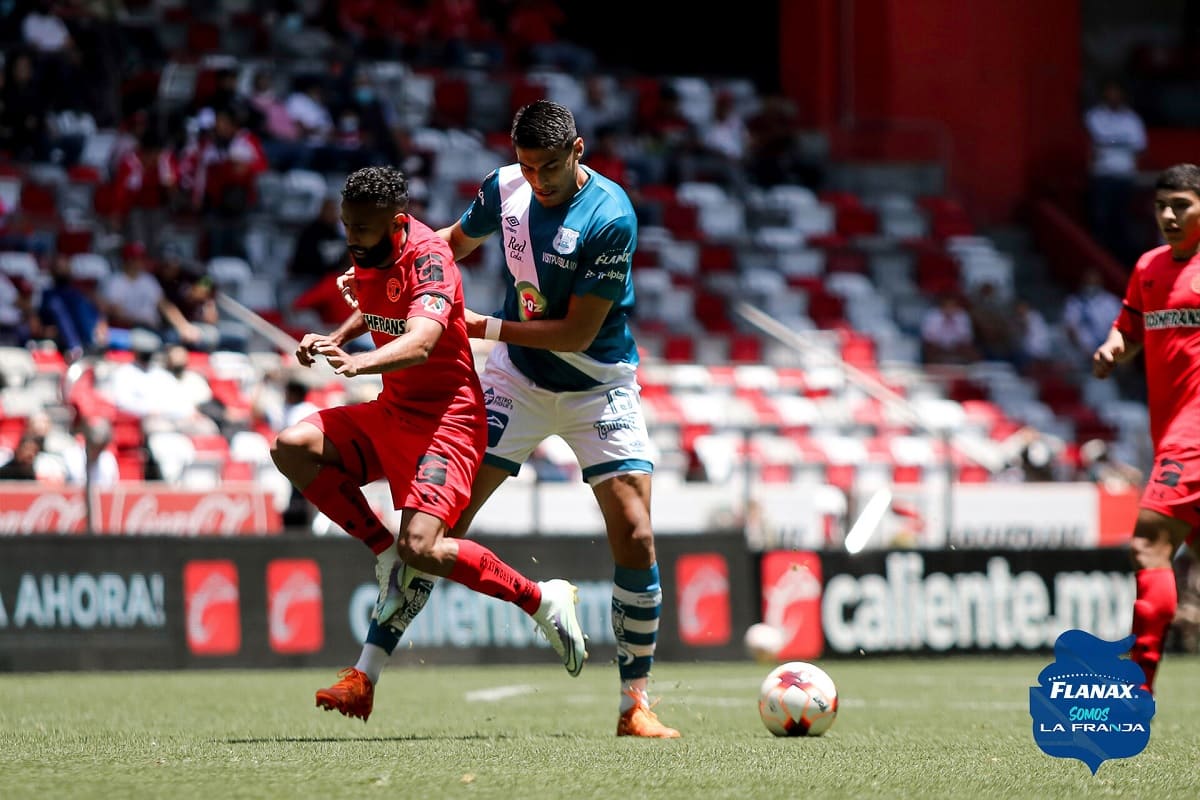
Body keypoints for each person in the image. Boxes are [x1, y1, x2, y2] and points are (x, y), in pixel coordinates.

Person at [338, 101, 680, 738]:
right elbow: (443, 249)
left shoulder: (610, 216)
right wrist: (380, 280)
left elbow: (577, 333)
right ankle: (367, 672)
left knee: (635, 533)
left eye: (549, 166)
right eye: (526, 165)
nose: (537, 178)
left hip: (597, 384)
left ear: (578, 150)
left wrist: (484, 327)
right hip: (514, 380)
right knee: (438, 525)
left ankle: (635, 704)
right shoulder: (505, 187)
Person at [268, 166, 585, 721]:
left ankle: (541, 599)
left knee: (423, 546)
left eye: (361, 228)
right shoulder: (372, 250)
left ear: (396, 223)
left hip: (448, 422)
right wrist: (335, 336)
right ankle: (382, 552)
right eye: (346, 225)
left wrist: (359, 361)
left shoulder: (430, 257)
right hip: (393, 411)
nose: (350, 237)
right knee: (291, 446)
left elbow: (420, 341)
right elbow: (377, 303)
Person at [1091, 163, 1200, 694]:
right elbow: (1130, 327)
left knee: (1148, 545)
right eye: (1161, 206)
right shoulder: (1149, 267)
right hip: (1168, 430)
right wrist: (1114, 347)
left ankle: (1136, 691)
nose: (1169, 216)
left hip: (1193, 435)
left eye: (1182, 205)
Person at [1084, 80, 1147, 263]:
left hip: (1124, 176)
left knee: (1122, 221)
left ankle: (1120, 261)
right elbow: (1095, 140)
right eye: (1110, 92)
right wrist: (1120, 143)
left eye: (1117, 92)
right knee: (1100, 219)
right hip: (1102, 175)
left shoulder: (1132, 119)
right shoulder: (1094, 116)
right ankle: (1098, 259)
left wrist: (1109, 142)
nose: (1114, 96)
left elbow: (1139, 146)